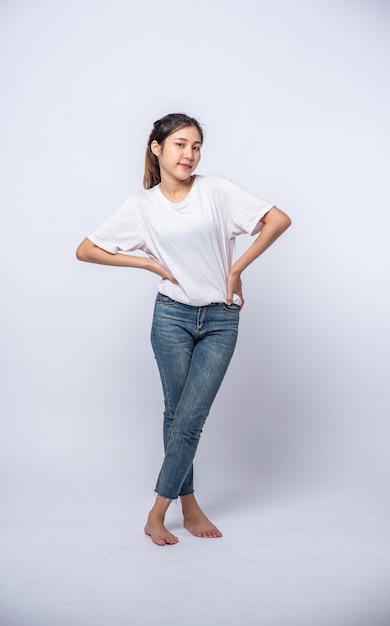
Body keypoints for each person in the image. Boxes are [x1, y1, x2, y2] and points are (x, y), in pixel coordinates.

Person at [76, 112, 291, 546]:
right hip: (171, 316)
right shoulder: (142, 207)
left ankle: (157, 512)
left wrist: (236, 269)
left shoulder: (217, 190)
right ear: (157, 148)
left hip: (220, 319)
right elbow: (86, 250)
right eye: (179, 144)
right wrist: (146, 262)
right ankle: (188, 506)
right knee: (178, 416)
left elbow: (278, 220)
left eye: (195, 146)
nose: (189, 154)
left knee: (189, 418)